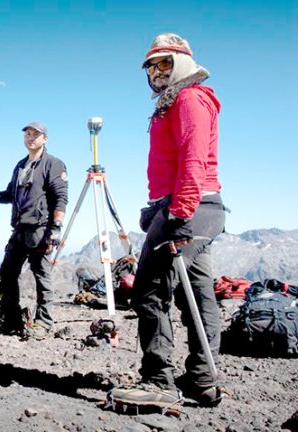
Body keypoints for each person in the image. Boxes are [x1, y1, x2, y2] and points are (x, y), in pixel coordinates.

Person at [110, 33, 227, 409]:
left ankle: (158, 381)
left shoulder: (190, 99)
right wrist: (159, 206)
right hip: (198, 206)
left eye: (165, 63)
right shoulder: (177, 101)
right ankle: (201, 380)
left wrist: (177, 212)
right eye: (151, 65)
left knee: (149, 291)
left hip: (189, 206)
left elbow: (193, 159)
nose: (157, 72)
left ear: (184, 64)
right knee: (199, 292)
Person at [0, 121, 68, 337]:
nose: (31, 138)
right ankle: (12, 321)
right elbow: (9, 195)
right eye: (28, 134)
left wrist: (55, 229)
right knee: (8, 274)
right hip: (19, 230)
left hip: (40, 230)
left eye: (36, 134)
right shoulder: (20, 166)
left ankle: (44, 323)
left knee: (42, 277)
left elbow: (61, 198)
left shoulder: (53, 164)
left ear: (44, 139)